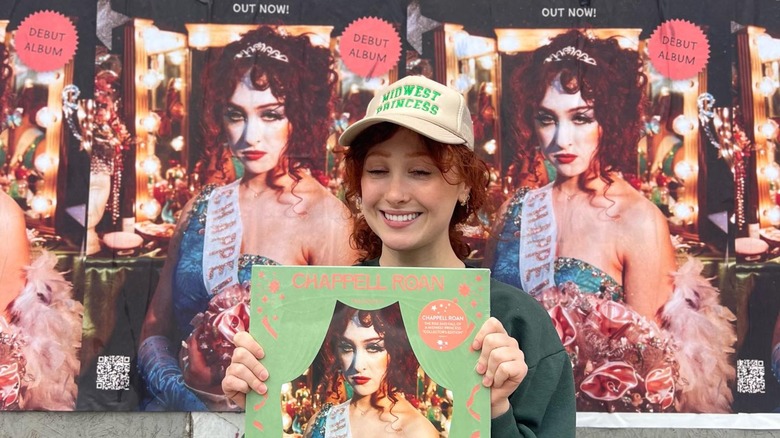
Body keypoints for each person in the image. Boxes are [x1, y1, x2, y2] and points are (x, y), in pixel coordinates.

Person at [223, 75, 576, 437]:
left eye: (420, 172)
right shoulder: (316, 307)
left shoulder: (516, 323)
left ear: (465, 184)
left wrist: (495, 411)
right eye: (377, 171)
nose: (394, 193)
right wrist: (255, 406)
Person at [487, 29, 735, 412]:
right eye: (546, 118)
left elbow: (647, 374)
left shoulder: (637, 221)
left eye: (581, 117)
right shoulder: (516, 210)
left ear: (612, 119)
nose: (561, 139)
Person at [138, 26, 358, 411]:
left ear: (299, 118)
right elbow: (155, 327)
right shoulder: (200, 207)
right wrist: (185, 395)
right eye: (236, 115)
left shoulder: (327, 219)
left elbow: (347, 358)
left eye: (271, 115)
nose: (250, 136)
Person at [305, 302, 437, 437]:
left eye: (373, 348)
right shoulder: (321, 423)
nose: (357, 365)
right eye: (347, 348)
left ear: (397, 351)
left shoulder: (417, 431)